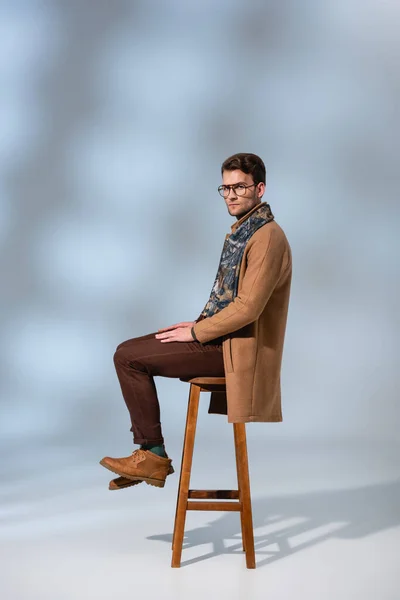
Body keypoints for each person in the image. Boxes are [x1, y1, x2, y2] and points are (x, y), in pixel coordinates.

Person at [100, 152, 292, 490]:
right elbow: (230, 301)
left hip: (236, 352)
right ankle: (151, 453)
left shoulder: (267, 237)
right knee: (127, 350)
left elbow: (249, 308)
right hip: (222, 340)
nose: (231, 195)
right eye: (225, 188)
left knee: (129, 357)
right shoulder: (244, 232)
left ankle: (153, 455)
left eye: (240, 187)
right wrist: (195, 324)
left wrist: (195, 331)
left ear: (260, 188)